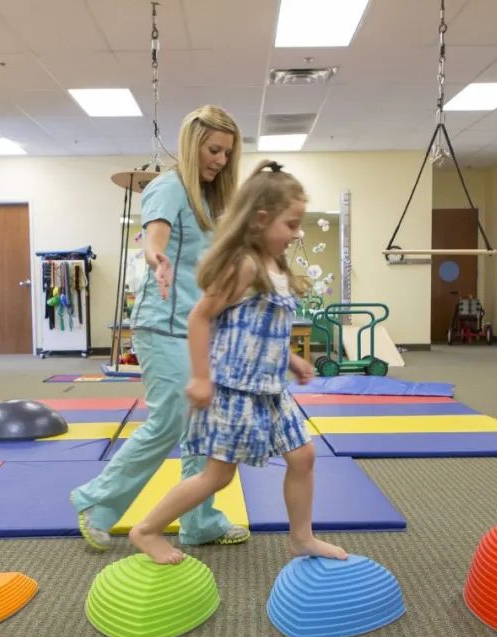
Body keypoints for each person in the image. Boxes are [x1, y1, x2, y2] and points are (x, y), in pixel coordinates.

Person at [129, 161, 349, 565]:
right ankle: (146, 529)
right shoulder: (244, 265)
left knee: (303, 456)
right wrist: (200, 378)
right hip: (234, 390)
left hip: (271, 389)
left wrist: (291, 359)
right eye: (291, 224)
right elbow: (200, 318)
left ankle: (302, 538)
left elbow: (260, 332)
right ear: (261, 219)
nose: (297, 233)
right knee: (217, 476)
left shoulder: (277, 266)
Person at [70, 106, 250, 550]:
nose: (220, 160)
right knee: (170, 420)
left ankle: (199, 522)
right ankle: (98, 503)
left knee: (204, 428)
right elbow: (155, 237)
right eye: (213, 150)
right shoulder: (169, 188)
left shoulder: (214, 200)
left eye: (227, 153)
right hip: (164, 324)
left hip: (203, 328)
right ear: (192, 145)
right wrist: (155, 257)